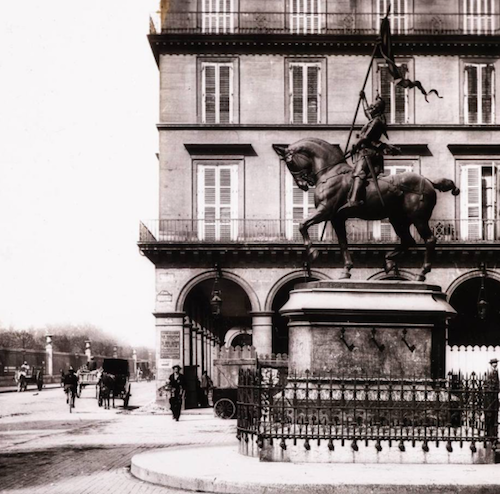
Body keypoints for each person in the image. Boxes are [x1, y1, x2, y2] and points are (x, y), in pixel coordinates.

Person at [341, 91, 399, 211]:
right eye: (371, 106)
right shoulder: (373, 120)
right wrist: (363, 99)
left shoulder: (377, 121)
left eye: (373, 107)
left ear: (377, 110)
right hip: (367, 150)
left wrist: (355, 146)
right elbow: (367, 113)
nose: (370, 108)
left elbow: (365, 138)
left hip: (370, 153)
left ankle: (354, 200)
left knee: (358, 173)